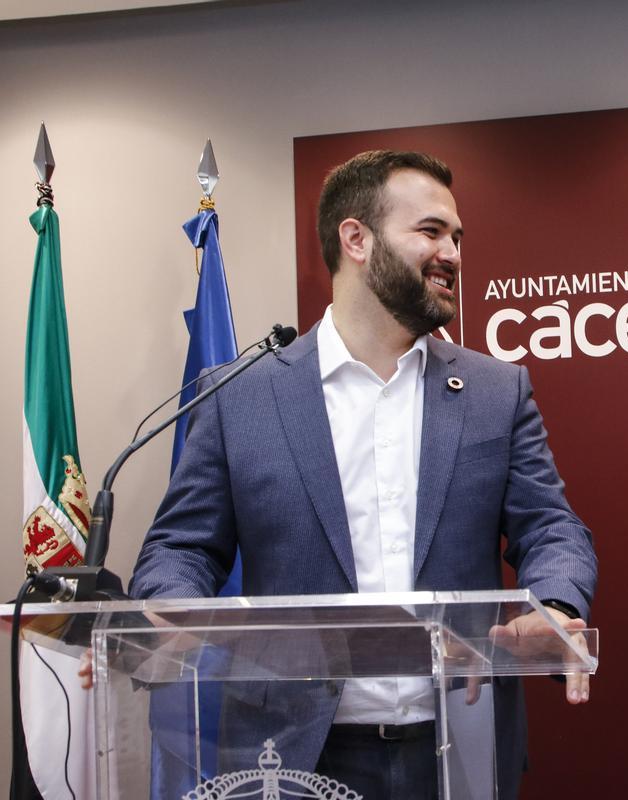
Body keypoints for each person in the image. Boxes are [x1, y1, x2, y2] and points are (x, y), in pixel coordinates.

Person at [128, 150, 598, 799]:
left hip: (453, 746)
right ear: (356, 238)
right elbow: (180, 548)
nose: (454, 253)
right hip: (287, 755)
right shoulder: (241, 395)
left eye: (457, 237)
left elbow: (552, 529)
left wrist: (554, 604)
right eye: (431, 231)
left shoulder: (496, 391)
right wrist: (169, 602)